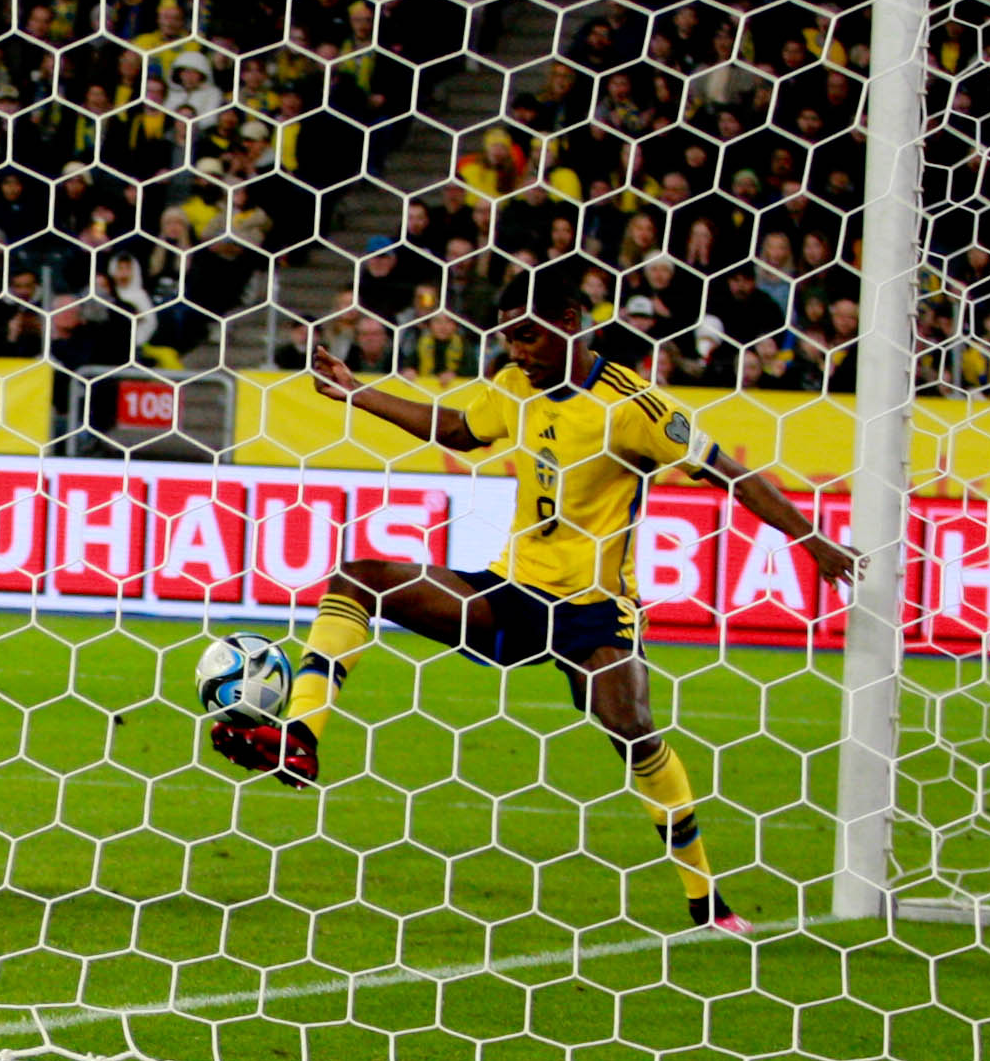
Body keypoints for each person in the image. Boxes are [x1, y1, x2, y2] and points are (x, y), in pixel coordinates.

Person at [245, 257, 858, 937]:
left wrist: (813, 540)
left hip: (595, 610)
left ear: (570, 323)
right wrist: (358, 393)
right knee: (360, 576)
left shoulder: (635, 408)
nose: (516, 352)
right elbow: (459, 430)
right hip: (511, 591)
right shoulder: (514, 385)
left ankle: (706, 899)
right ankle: (299, 736)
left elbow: (732, 474)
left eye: (527, 336)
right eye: (508, 337)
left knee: (631, 729)